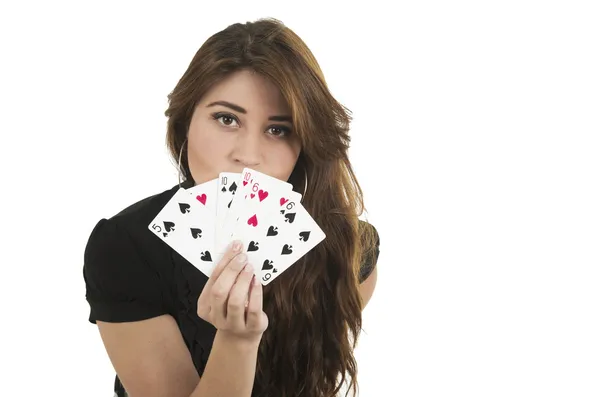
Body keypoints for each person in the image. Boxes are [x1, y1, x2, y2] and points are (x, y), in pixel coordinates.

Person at [83, 17, 381, 397]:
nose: (248, 156)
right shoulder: (124, 247)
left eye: (278, 129)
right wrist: (237, 342)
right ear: (185, 122)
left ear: (305, 144)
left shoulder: (350, 249)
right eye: (226, 119)